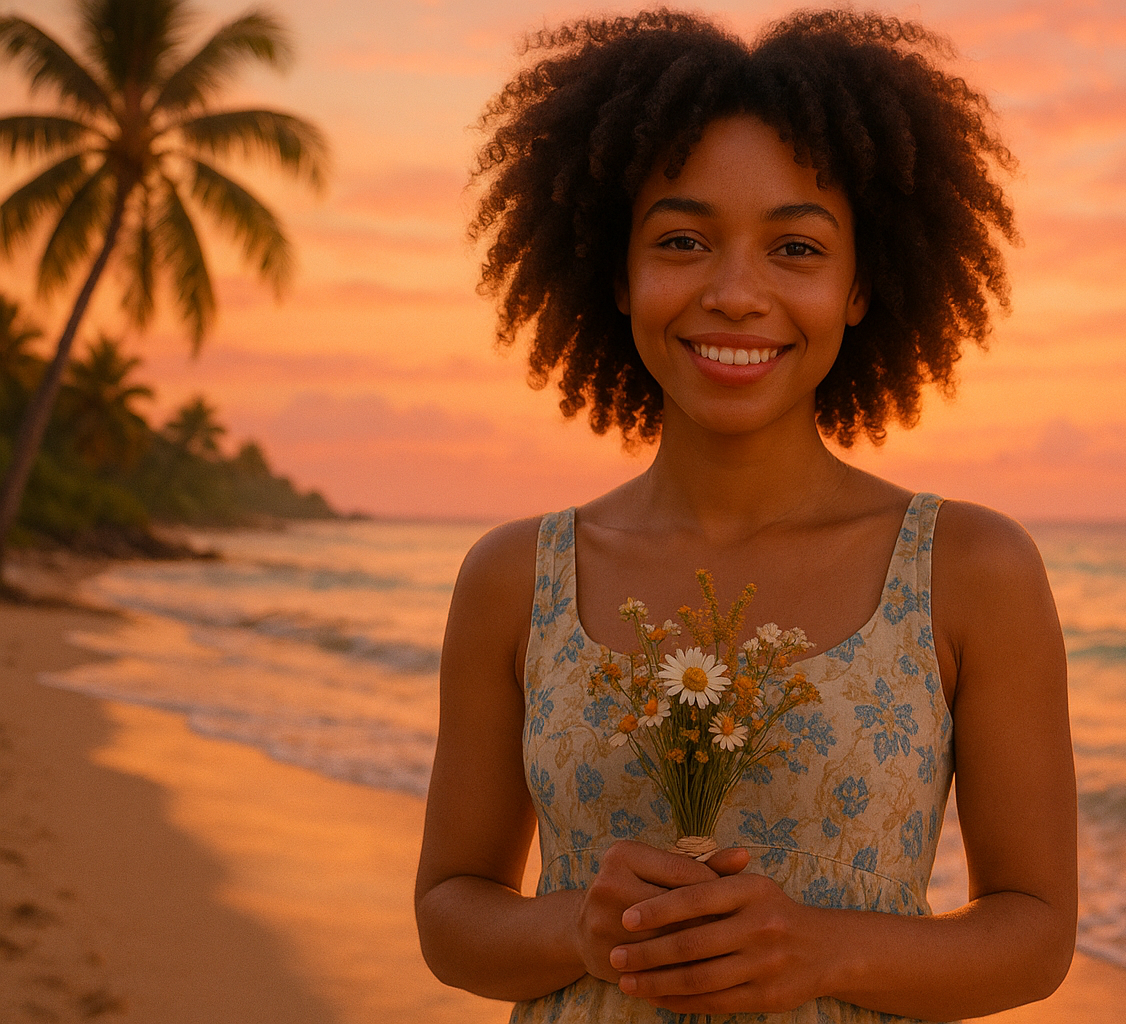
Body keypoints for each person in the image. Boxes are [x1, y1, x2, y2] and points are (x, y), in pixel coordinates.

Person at [414, 11, 1076, 1023]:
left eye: (795, 248)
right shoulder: (517, 574)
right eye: (682, 241)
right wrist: (579, 929)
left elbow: (1033, 934)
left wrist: (821, 951)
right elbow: (451, 911)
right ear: (618, 272)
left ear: (861, 286)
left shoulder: (968, 567)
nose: (734, 292)